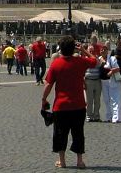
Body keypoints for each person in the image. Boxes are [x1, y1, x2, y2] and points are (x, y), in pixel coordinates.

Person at [41, 35, 97, 169]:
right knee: (78, 133)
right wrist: (83, 50)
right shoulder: (80, 62)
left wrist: (44, 99)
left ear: (60, 49)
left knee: (60, 133)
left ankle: (62, 161)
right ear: (73, 49)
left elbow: (48, 85)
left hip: (61, 106)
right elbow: (94, 61)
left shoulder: (56, 64)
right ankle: (80, 161)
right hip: (78, 105)